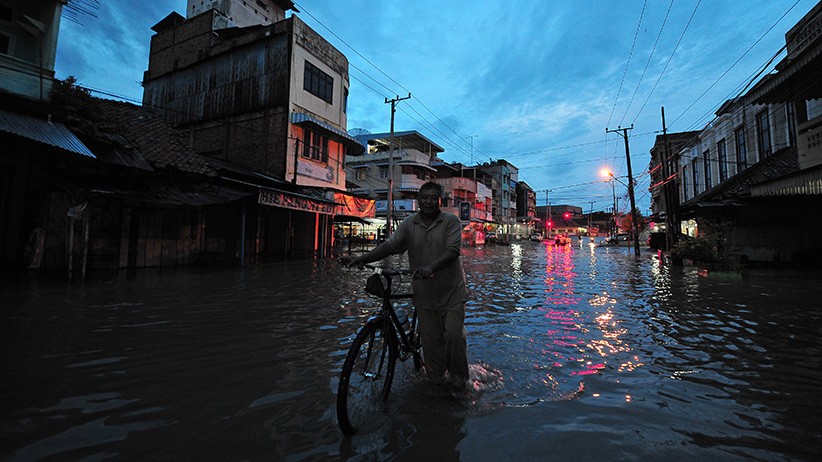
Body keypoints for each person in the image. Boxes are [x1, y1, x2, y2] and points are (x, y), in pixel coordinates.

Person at [339, 181, 469, 393]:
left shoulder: (450, 221)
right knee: (432, 347)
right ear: (418, 200)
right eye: (424, 197)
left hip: (452, 293)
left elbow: (453, 250)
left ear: (440, 201)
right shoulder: (409, 223)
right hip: (424, 295)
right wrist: (361, 258)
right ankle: (437, 387)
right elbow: (390, 246)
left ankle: (461, 384)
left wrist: (430, 267)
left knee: (455, 336)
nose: (428, 201)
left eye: (432, 198)